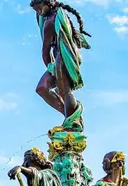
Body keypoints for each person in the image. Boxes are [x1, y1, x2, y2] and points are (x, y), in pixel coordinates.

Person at [30, 0, 91, 132]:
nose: (39, 13)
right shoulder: (58, 15)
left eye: (40, 9)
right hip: (65, 55)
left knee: (64, 89)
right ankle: (72, 117)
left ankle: (72, 121)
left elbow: (45, 51)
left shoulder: (51, 21)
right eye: (36, 11)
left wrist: (50, 67)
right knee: (42, 88)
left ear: (48, 4)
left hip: (64, 56)